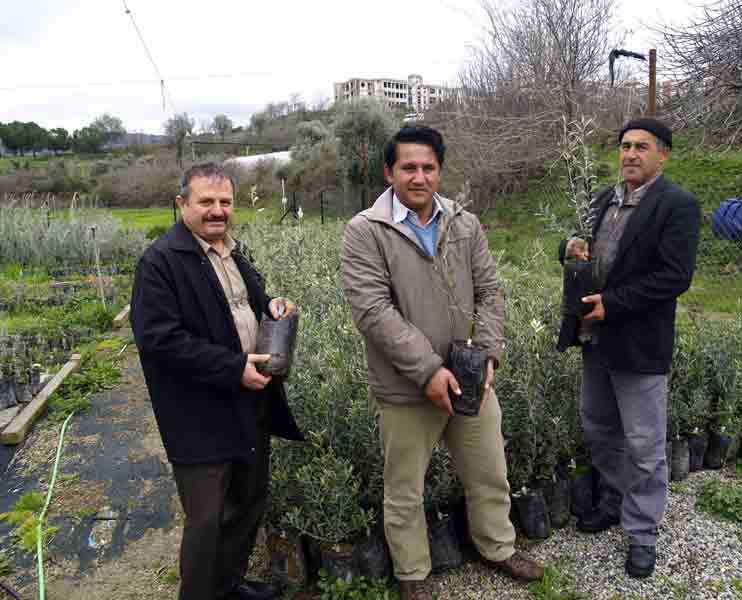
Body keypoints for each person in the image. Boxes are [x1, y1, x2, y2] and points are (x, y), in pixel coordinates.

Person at [342, 125, 544, 600]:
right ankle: (413, 574)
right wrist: (429, 371)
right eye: (408, 167)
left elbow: (491, 293)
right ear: (389, 171)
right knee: (406, 488)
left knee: (490, 471)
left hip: (470, 380)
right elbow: (373, 311)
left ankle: (497, 547)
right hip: (405, 387)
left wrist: (489, 352)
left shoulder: (464, 224)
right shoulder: (366, 231)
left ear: (440, 170)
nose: (418, 177)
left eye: (428, 167)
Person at [130, 163, 303, 600]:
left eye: (225, 202)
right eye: (206, 202)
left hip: (250, 402)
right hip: (199, 416)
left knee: (247, 503)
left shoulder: (232, 251)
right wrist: (231, 368)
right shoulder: (160, 263)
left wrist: (273, 305)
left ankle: (230, 586)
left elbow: (248, 305)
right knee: (208, 520)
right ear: (182, 204)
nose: (217, 211)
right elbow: (159, 339)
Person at [557, 118, 701, 578]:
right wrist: (570, 247)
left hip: (639, 344)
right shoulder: (603, 199)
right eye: (625, 146)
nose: (631, 154)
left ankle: (642, 533)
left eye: (642, 146)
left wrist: (612, 305)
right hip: (595, 340)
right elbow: (570, 246)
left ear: (664, 155)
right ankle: (614, 503)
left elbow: (674, 276)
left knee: (643, 443)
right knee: (599, 426)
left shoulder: (677, 205)